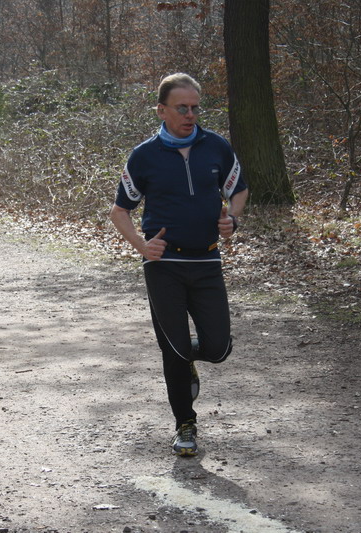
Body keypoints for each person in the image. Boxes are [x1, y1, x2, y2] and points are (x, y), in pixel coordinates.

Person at [108, 73, 249, 457]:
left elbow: (239, 190)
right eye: (182, 108)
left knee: (218, 347)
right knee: (173, 347)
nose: (190, 115)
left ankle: (188, 359)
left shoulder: (215, 147)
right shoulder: (144, 156)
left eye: (195, 108)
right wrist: (141, 245)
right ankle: (185, 424)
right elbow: (120, 211)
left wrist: (233, 219)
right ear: (162, 110)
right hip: (164, 264)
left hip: (207, 260)